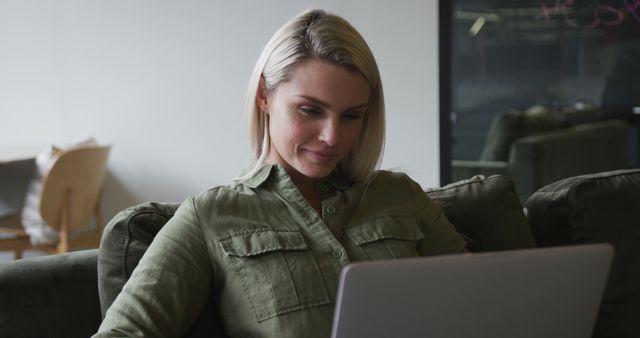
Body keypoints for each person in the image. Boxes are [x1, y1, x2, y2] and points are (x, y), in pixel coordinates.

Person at [93, 8, 466, 338]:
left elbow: (479, 299)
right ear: (264, 96)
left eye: (351, 116)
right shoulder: (210, 217)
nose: (332, 137)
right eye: (310, 110)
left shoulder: (401, 196)